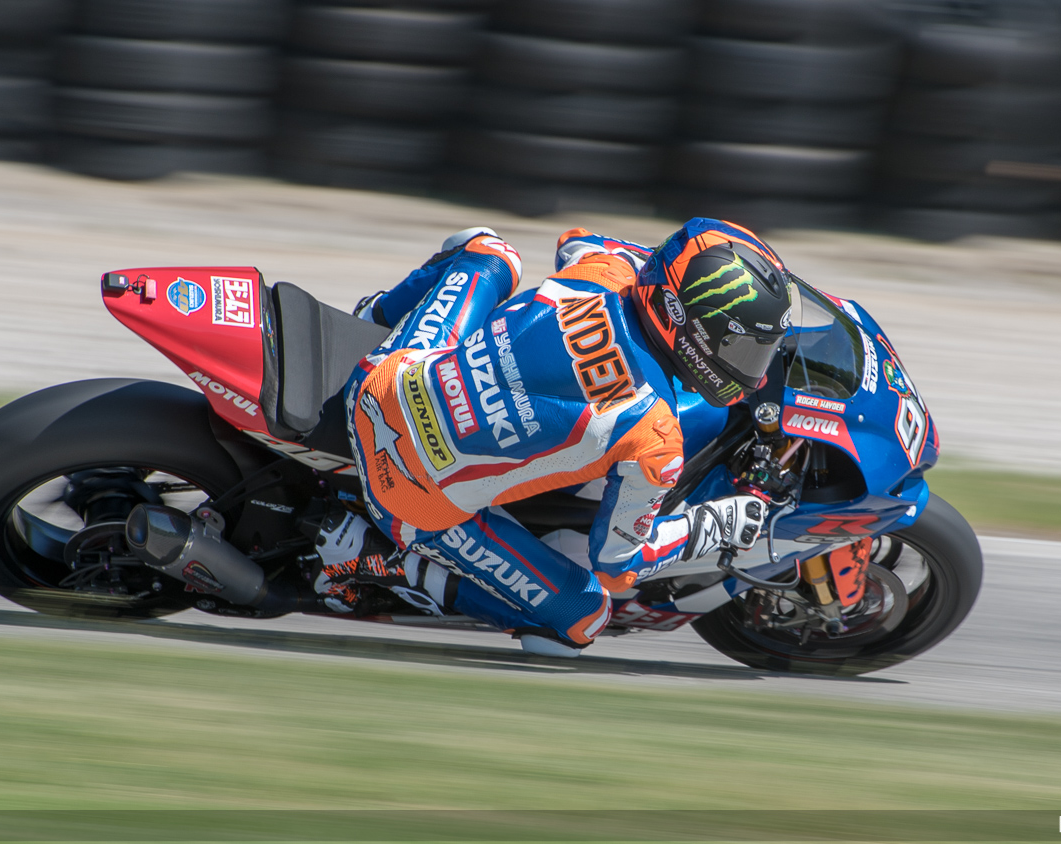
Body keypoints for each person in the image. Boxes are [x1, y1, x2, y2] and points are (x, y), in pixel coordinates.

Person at [323, 219, 795, 656]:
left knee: (491, 252)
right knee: (584, 617)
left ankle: (376, 316)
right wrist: (718, 524)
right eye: (742, 347)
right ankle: (394, 564)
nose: (755, 369)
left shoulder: (606, 270)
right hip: (408, 494)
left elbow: (576, 239)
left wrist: (648, 263)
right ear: (682, 321)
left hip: (383, 379)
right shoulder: (655, 435)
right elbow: (618, 563)